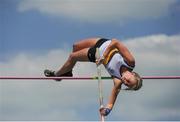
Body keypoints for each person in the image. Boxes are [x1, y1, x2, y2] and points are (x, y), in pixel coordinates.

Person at [44, 38, 143, 116]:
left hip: (97, 54)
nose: (125, 82)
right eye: (129, 81)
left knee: (72, 57)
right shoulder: (130, 62)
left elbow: (111, 103)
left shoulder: (118, 81)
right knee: (75, 46)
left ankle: (57, 75)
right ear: (133, 74)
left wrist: (107, 110)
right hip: (104, 43)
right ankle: (68, 72)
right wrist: (105, 55)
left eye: (127, 85)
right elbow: (115, 42)